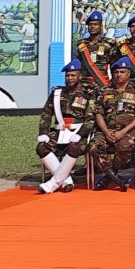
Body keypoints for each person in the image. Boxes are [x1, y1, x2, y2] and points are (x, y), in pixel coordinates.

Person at [36, 60, 97, 194]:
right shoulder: (57, 93)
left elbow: (90, 119)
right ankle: (66, 180)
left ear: (80, 76)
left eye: (73, 75)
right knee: (41, 147)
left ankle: (53, 183)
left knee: (75, 148)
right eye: (67, 76)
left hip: (78, 132)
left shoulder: (88, 94)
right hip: (60, 131)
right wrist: (44, 132)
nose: (69, 78)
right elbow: (46, 114)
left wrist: (80, 134)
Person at [88, 57, 135, 191]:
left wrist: (123, 131)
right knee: (93, 146)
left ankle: (108, 176)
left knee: (124, 147)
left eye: (122, 72)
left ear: (129, 74)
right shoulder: (104, 91)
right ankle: (115, 178)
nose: (119, 75)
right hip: (106, 130)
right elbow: (98, 113)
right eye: (116, 72)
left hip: (128, 130)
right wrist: (105, 131)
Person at [76, 10, 116, 88]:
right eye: (90, 24)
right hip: (84, 84)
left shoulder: (109, 44)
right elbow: (79, 65)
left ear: (101, 26)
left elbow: (114, 66)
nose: (92, 27)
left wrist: (113, 85)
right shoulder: (82, 44)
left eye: (95, 24)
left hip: (102, 83)